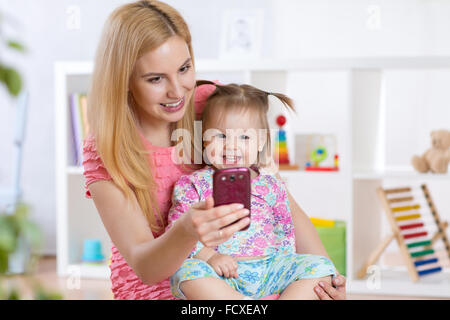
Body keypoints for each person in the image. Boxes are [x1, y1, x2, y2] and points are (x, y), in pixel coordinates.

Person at [83, 0, 346, 300]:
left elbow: (283, 203)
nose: (177, 90)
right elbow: (146, 267)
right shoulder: (108, 147)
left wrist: (328, 280)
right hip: (172, 283)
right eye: (156, 79)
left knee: (315, 277)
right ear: (124, 80)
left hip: (252, 277)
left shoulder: (210, 104)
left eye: (184, 69)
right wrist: (186, 232)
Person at [167, 82, 337, 300]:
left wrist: (285, 267)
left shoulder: (272, 186)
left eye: (244, 137)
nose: (231, 146)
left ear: (261, 142)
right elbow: (178, 234)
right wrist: (209, 257)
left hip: (269, 270)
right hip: (221, 274)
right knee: (186, 271)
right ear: (204, 139)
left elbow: (284, 231)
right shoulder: (193, 186)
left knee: (321, 266)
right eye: (220, 136)